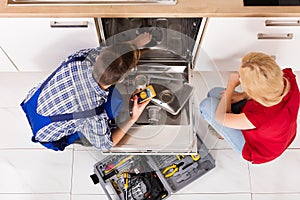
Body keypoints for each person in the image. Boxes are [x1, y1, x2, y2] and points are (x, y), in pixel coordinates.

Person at [21, 33, 152, 151]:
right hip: (46, 133)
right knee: (115, 103)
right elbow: (107, 144)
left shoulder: (80, 57)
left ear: (99, 57)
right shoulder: (92, 113)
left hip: (32, 100)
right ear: (122, 79)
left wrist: (135, 43)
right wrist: (133, 117)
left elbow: (110, 55)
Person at [200, 52, 300, 164]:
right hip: (278, 135)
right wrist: (242, 95)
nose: (240, 78)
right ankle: (232, 126)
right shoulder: (287, 78)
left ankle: (224, 134)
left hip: (259, 150)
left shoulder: (260, 115)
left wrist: (231, 86)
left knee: (206, 106)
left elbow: (221, 118)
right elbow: (267, 88)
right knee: (214, 93)